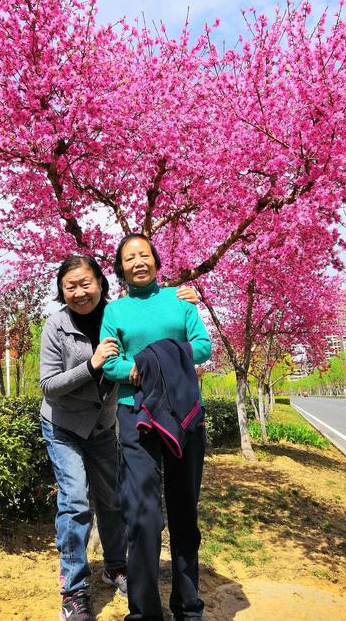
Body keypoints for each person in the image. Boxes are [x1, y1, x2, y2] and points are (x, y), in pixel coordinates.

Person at [40, 254, 199, 621]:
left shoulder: (119, 313)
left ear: (101, 283)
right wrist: (91, 364)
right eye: (70, 286)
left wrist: (181, 298)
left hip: (103, 425)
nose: (79, 292)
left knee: (113, 501)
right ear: (62, 292)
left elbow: (154, 323)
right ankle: (74, 589)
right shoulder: (56, 326)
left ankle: (115, 566)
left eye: (86, 283)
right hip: (63, 426)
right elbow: (49, 387)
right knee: (76, 502)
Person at [100, 234, 212, 621]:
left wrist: (152, 362)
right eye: (129, 258)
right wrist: (134, 369)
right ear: (121, 268)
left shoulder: (179, 301)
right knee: (143, 515)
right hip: (136, 417)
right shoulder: (114, 311)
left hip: (183, 415)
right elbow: (109, 361)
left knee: (185, 512)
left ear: (156, 261)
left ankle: (189, 606)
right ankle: (145, 612)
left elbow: (202, 346)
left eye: (144, 254)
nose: (138, 262)